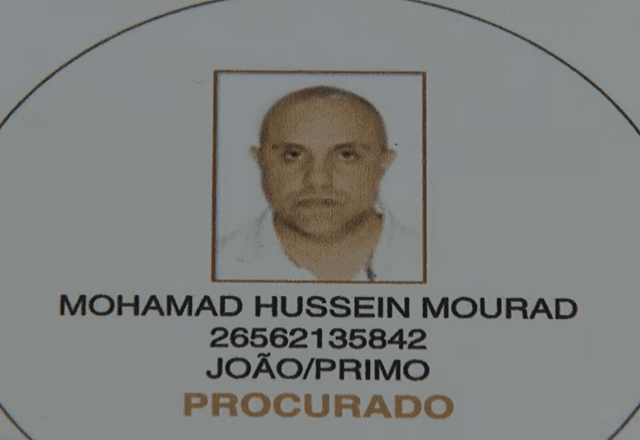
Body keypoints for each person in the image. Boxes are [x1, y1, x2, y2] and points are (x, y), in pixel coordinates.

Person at [217, 85, 423, 282]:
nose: (318, 180)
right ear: (260, 160)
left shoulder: (432, 260)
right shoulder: (217, 264)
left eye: (346, 155)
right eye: (293, 155)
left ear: (384, 162)